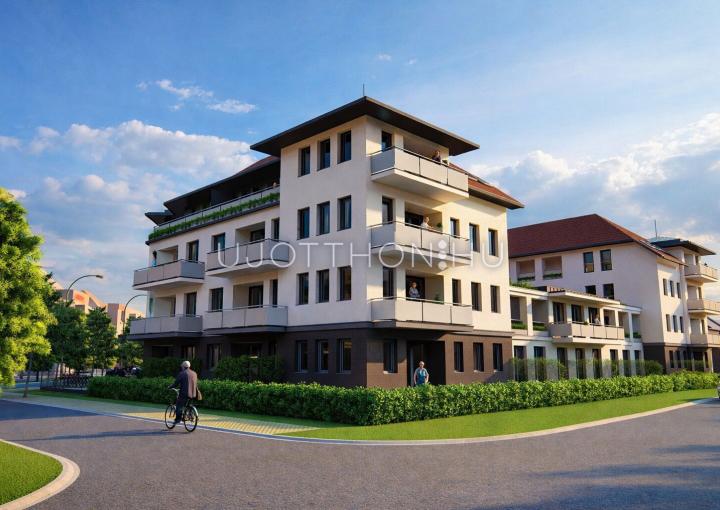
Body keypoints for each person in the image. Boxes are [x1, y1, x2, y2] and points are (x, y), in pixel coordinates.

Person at [167, 360, 202, 428]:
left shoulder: (182, 373)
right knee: (188, 404)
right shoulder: (194, 373)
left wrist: (169, 387)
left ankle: (178, 419)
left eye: (182, 366)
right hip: (193, 394)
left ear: (183, 367)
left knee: (179, 405)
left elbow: (176, 383)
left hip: (184, 394)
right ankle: (191, 414)